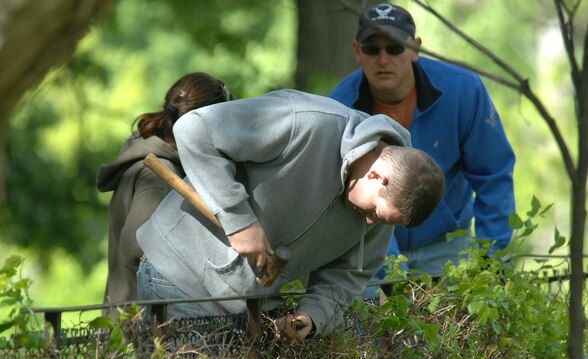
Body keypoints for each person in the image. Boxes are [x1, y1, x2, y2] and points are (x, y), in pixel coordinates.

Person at [136, 89, 445, 339]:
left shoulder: (386, 203)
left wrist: (311, 317)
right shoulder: (306, 122)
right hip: (178, 275)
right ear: (378, 177)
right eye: (376, 212)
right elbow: (194, 129)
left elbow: (347, 275)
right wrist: (239, 220)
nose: (372, 222)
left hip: (250, 306)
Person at [329, 2, 516, 283]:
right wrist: (391, 275)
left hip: (447, 242)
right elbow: (343, 194)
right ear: (358, 51)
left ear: (415, 48)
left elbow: (494, 174)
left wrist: (490, 259)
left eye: (394, 48)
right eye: (372, 49)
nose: (383, 59)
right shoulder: (340, 108)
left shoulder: (464, 91)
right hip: (369, 245)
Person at [96, 72, 232, 316]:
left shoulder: (157, 161)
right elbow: (137, 246)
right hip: (139, 332)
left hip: (131, 325)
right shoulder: (159, 173)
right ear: (203, 123)